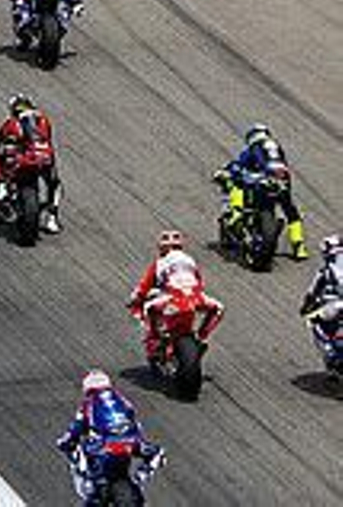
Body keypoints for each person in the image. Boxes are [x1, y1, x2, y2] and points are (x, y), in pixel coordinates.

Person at [54, 371, 165, 506]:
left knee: (78, 452)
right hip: (130, 443)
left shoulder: (88, 404)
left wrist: (64, 443)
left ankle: (90, 487)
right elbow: (136, 425)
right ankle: (139, 479)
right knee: (156, 453)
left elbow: (75, 430)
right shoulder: (124, 401)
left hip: (104, 447)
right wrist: (136, 443)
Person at [127, 230, 226, 364]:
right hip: (195, 298)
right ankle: (201, 336)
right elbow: (200, 284)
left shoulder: (159, 263)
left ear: (161, 248)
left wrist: (134, 301)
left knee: (147, 308)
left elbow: (143, 287)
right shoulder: (190, 260)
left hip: (173, 299)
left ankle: (154, 340)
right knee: (219, 309)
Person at [215, 124, 309, 259]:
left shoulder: (254, 148)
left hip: (263, 180)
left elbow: (239, 164)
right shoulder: (277, 147)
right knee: (290, 211)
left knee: (237, 184)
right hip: (283, 179)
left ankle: (236, 213)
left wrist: (225, 171)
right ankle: (299, 247)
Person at [0, 93, 63, 234]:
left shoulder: (12, 123)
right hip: (45, 158)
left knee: (1, 158)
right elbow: (46, 140)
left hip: (25, 159)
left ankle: (2, 192)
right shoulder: (44, 120)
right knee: (55, 184)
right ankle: (52, 219)